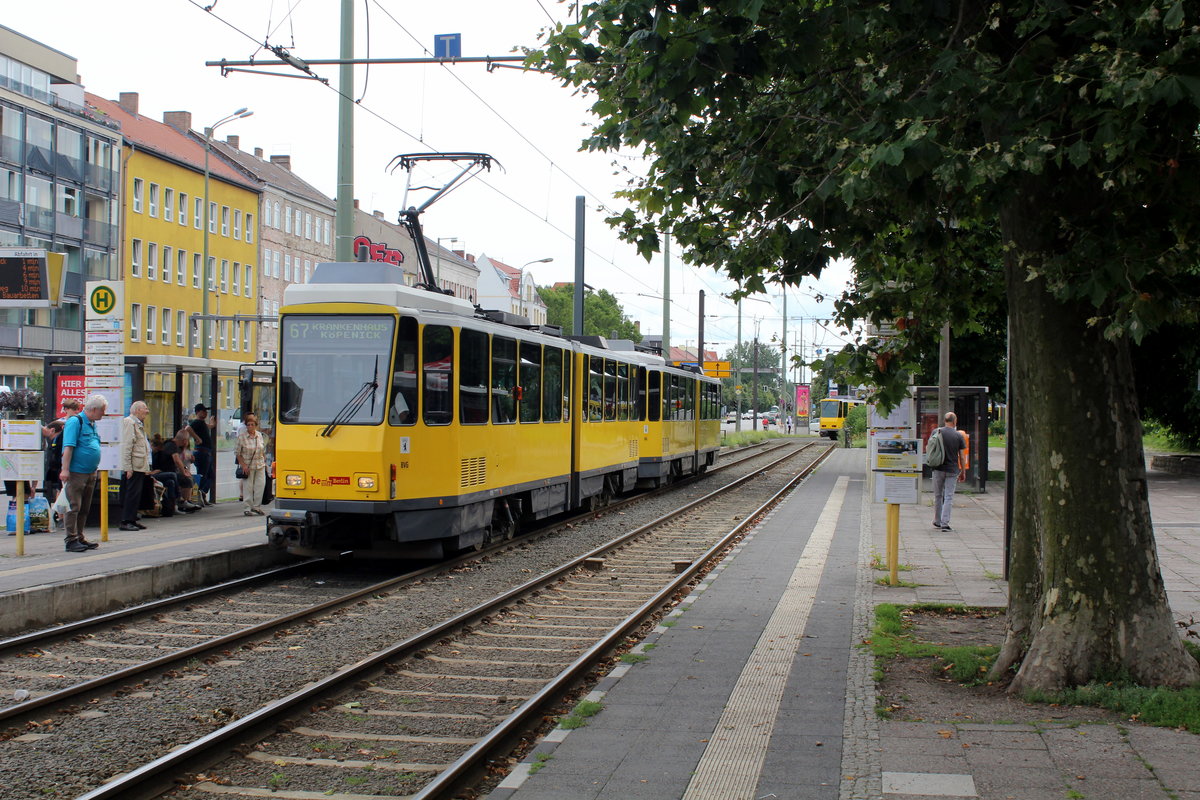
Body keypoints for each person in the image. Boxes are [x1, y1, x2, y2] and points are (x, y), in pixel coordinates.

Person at [59, 393, 107, 552]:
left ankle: (79, 536)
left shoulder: (92, 424)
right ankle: (71, 539)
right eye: (102, 411)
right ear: (93, 409)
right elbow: (68, 447)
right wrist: (65, 470)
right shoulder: (75, 422)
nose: (103, 414)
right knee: (74, 506)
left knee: (85, 507)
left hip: (90, 472)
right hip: (76, 472)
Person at [930, 411, 968, 531]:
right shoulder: (958, 436)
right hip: (952, 470)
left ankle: (937, 520)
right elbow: (962, 456)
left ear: (944, 421)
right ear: (955, 421)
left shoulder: (936, 432)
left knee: (938, 495)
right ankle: (945, 523)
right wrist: (963, 471)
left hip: (938, 468)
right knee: (948, 496)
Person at [118, 401, 151, 532]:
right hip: (133, 466)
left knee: (136, 494)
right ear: (137, 410)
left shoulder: (137, 424)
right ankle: (126, 520)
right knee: (131, 493)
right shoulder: (129, 423)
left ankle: (132, 519)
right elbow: (127, 446)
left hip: (139, 465)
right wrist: (127, 467)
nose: (147, 411)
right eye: (145, 408)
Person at [235, 413, 268, 516]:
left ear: (255, 425)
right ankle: (247, 507)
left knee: (260, 485)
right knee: (248, 487)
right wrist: (243, 465)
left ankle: (257, 506)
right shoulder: (242, 437)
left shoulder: (259, 436)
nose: (250, 427)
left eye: (252, 424)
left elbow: (262, 449)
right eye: (248, 425)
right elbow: (237, 453)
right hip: (248, 465)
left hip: (260, 464)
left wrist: (265, 462)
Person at [164, 429, 201, 510]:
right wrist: (184, 472)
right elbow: (177, 460)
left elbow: (179, 462)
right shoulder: (172, 445)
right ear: (184, 440)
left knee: (189, 478)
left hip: (170, 471)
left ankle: (187, 500)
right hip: (167, 471)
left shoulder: (171, 444)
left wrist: (185, 469)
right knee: (186, 479)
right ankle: (183, 502)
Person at [188, 403, 216, 505]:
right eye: (203, 411)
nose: (205, 413)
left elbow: (210, 426)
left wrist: (212, 423)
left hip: (206, 452)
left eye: (206, 411)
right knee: (202, 475)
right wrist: (197, 438)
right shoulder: (197, 422)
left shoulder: (202, 423)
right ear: (198, 412)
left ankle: (202, 493)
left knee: (209, 475)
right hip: (202, 452)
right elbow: (188, 428)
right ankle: (196, 496)